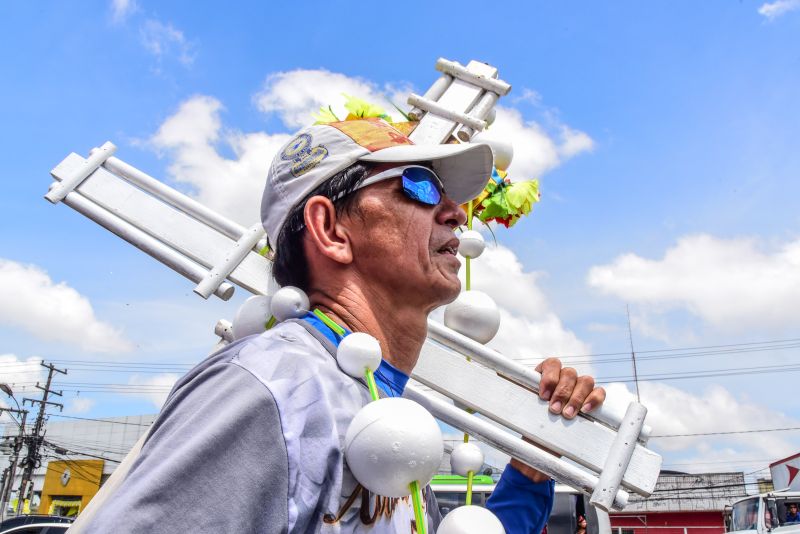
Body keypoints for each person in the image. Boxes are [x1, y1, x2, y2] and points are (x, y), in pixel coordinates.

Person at [79, 118, 606, 533]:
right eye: (420, 187)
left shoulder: (378, 408)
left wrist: (533, 467)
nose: (456, 213)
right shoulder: (271, 388)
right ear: (330, 230)